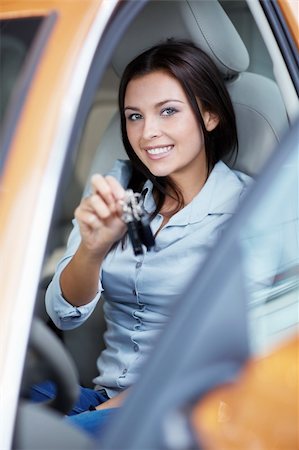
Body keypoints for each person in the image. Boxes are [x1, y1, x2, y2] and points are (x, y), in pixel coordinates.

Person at [31, 39, 252, 437]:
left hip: (176, 412)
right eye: (134, 116)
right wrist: (92, 251)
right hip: (102, 397)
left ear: (210, 115)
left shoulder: (245, 210)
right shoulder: (123, 188)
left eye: (168, 111)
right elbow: (63, 313)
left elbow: (228, 357)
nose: (148, 132)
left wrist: (86, 421)